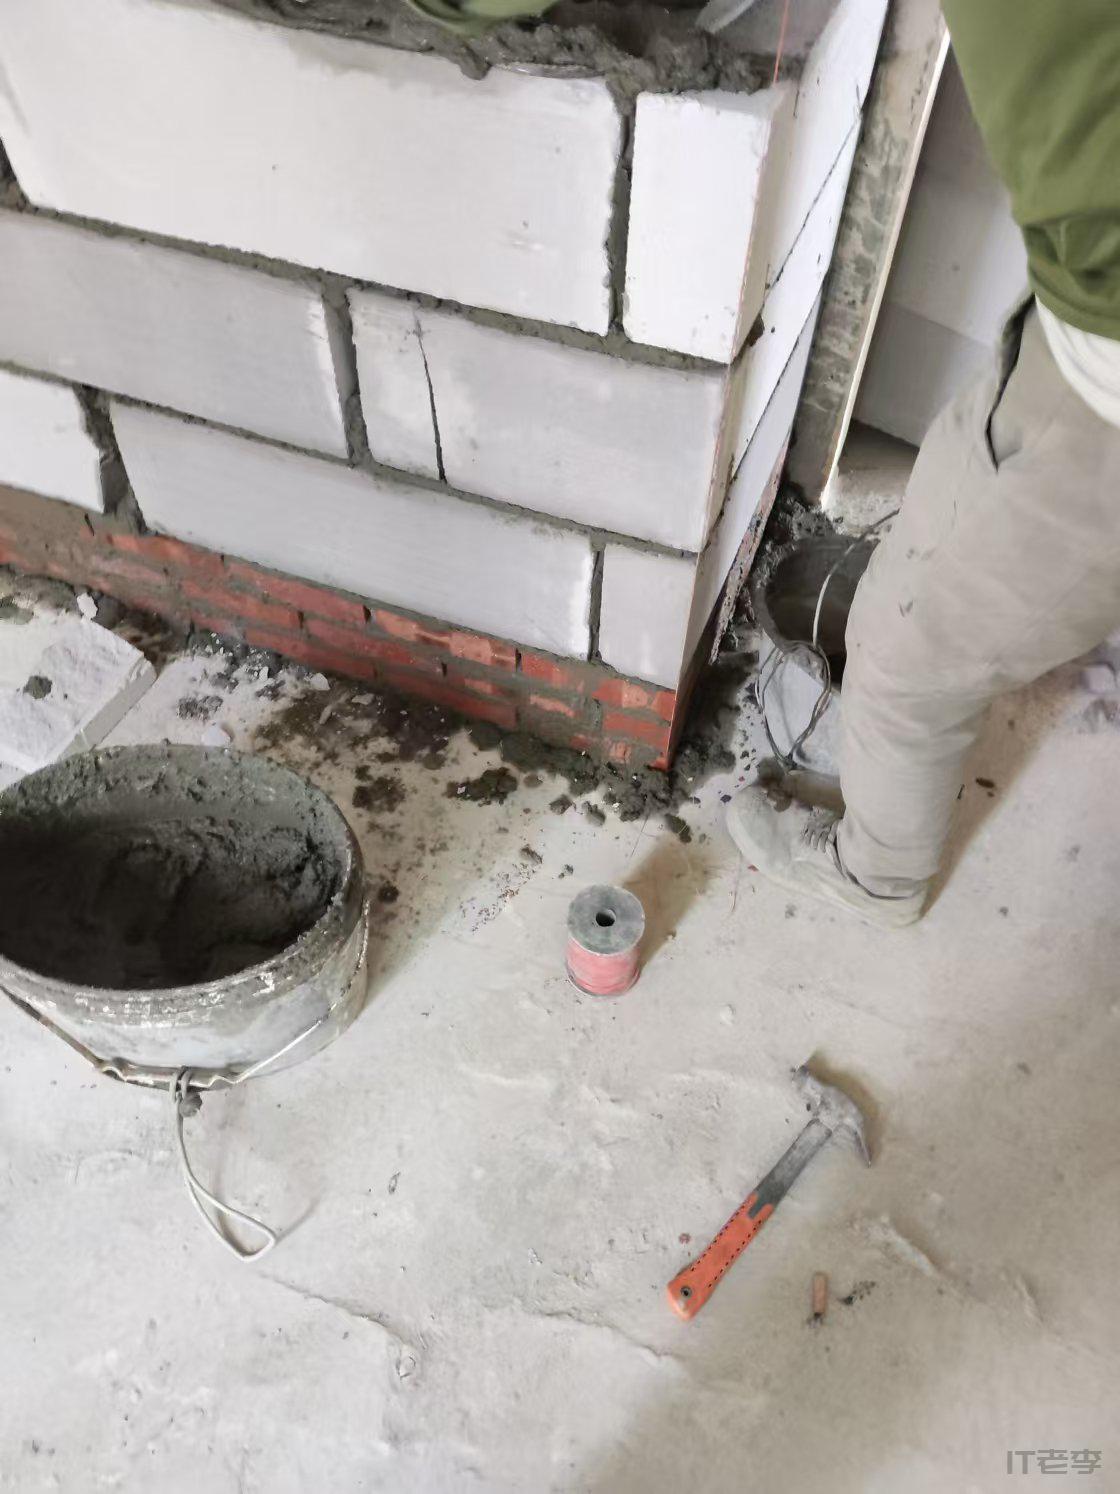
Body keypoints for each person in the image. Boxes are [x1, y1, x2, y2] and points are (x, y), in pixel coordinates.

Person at [726, 0, 1120, 929]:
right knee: (958, 501)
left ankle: (877, 879)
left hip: (1105, 402)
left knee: (907, 662)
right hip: (1086, 343)